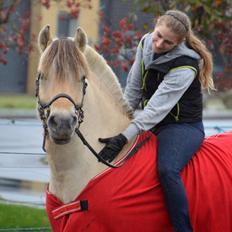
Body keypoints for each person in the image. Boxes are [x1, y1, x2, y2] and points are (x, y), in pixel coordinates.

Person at [98, 9, 215, 232]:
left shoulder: (186, 65)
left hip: (182, 127)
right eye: (157, 35)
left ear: (180, 42)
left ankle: (183, 228)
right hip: (152, 122)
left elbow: (155, 109)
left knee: (167, 170)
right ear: (154, 26)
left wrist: (124, 136)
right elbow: (133, 88)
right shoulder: (145, 43)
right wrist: (118, 120)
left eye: (168, 42)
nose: (159, 44)